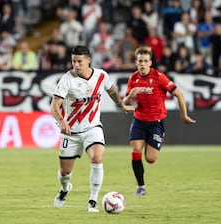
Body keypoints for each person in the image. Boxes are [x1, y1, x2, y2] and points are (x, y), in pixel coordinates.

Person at [51, 45, 134, 212]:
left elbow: (112, 91)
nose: (75, 65)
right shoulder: (67, 79)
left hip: (92, 127)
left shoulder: (101, 75)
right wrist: (61, 121)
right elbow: (54, 105)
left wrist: (122, 105)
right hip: (71, 132)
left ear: (88, 60)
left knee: (97, 159)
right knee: (65, 173)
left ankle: (93, 201)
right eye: (73, 61)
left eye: (79, 61)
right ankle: (65, 189)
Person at [123, 46, 196, 196]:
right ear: (136, 63)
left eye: (145, 61)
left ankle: (153, 142)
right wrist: (130, 96)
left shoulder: (159, 77)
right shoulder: (133, 78)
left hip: (156, 121)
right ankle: (141, 187)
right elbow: (125, 103)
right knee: (136, 150)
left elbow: (179, 94)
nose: (142, 64)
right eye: (139, 61)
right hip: (139, 120)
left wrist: (184, 115)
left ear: (150, 62)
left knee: (150, 159)